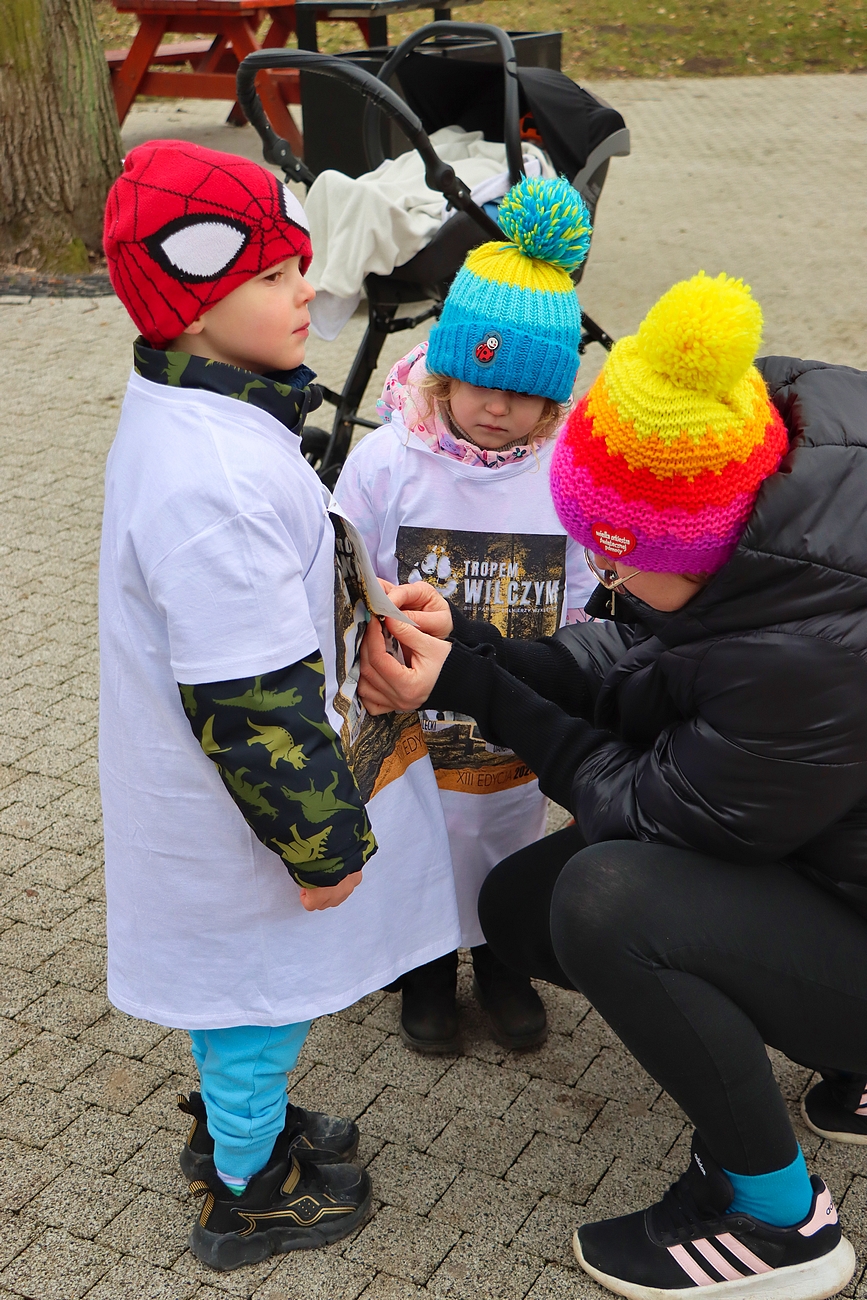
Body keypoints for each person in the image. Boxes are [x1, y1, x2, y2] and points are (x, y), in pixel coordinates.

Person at [357, 270, 867, 1300]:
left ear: (691, 549)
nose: (608, 578)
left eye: (619, 562)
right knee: (522, 908)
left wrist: (469, 687)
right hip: (825, 830)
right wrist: (490, 650)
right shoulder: (760, 474)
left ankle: (778, 1222)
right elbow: (651, 657)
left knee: (606, 902)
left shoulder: (806, 652)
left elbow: (644, 802)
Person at [100, 140, 460, 1272]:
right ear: (193, 305)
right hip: (246, 810)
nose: (309, 289)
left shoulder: (196, 406)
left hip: (218, 799)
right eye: (269, 276)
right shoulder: (214, 483)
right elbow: (252, 701)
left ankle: (238, 1127)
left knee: (245, 995)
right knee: (258, 997)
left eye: (302, 263)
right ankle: (248, 1189)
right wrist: (324, 845)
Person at [334, 176, 597, 1054]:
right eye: (478, 384)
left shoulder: (561, 478)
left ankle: (501, 958)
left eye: (523, 394)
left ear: (553, 399)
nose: (496, 409)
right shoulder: (388, 465)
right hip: (409, 709)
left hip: (512, 718)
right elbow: (342, 564)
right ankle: (421, 967)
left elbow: (587, 592)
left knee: (499, 834)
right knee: (417, 831)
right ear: (444, 371)